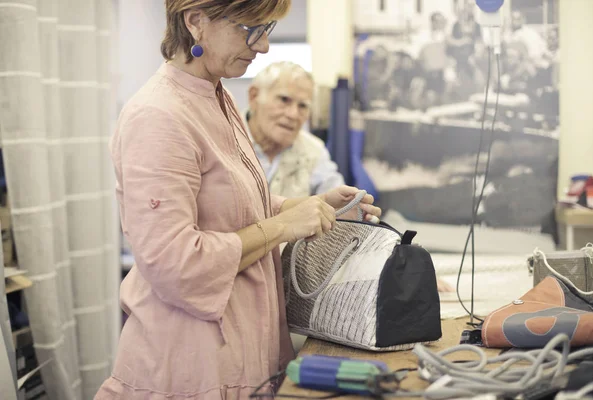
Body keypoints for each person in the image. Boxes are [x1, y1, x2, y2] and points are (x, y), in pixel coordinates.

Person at [94, 1, 382, 399]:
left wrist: (305, 205)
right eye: (251, 29)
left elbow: (233, 206)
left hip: (246, 348)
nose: (262, 46)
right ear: (196, 22)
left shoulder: (217, 96)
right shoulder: (157, 116)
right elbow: (177, 262)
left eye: (267, 29)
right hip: (192, 365)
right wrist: (282, 226)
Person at [245, 62, 344, 198]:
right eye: (284, 100)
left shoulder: (313, 151)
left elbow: (337, 195)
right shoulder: (220, 140)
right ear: (254, 96)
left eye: (302, 106)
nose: (293, 114)